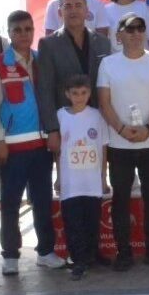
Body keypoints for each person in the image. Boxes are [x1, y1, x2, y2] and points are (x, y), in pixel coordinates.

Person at [0, 11, 64, 276]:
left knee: (42, 201)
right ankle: (10, 255)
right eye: (17, 30)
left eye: (28, 29)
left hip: (40, 147)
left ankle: (46, 252)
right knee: (10, 203)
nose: (23, 34)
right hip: (12, 149)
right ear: (9, 33)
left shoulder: (42, 61)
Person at [98, 13, 149, 268]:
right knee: (120, 198)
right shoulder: (108, 64)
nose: (136, 33)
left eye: (140, 28)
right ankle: (124, 252)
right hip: (119, 144)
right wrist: (121, 129)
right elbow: (104, 102)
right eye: (129, 29)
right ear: (118, 35)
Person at [37, 0, 112, 171]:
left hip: (98, 119)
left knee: (97, 175)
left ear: (87, 11)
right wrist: (52, 129)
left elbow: (109, 85)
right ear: (59, 12)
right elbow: (45, 89)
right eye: (67, 6)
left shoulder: (103, 42)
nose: (73, 10)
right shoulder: (48, 44)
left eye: (78, 5)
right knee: (69, 176)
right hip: (66, 123)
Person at [55, 75, 107, 280]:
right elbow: (57, 150)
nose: (79, 97)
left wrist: (103, 177)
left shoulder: (97, 116)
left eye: (83, 93)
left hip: (91, 180)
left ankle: (93, 254)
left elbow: (103, 146)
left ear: (89, 93)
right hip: (71, 182)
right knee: (73, 222)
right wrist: (58, 177)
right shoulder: (60, 116)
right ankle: (78, 260)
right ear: (67, 94)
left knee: (92, 220)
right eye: (75, 93)